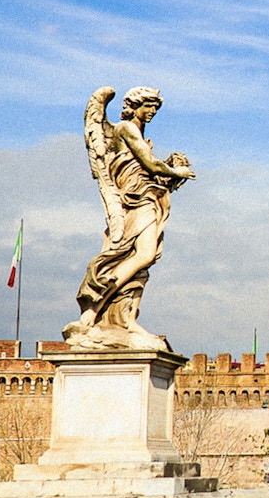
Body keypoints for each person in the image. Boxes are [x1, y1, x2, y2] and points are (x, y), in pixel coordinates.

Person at [65, 86, 194, 349]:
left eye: (156, 109)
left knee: (144, 260)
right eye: (149, 107)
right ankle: (94, 305)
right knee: (142, 254)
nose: (153, 113)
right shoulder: (125, 129)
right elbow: (149, 165)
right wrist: (177, 171)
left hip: (147, 197)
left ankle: (126, 318)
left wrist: (167, 174)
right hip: (135, 200)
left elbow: (149, 170)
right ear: (135, 105)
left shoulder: (139, 134)